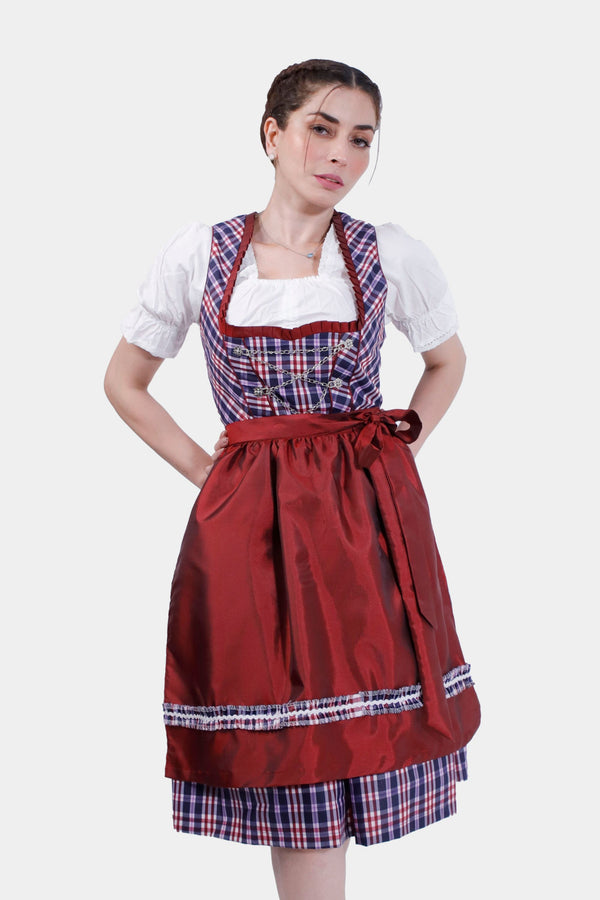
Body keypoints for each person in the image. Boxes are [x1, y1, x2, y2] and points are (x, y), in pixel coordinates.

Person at [105, 58, 480, 900]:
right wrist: (213, 475)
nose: (341, 152)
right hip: (253, 531)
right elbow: (124, 382)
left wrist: (395, 455)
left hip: (365, 526)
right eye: (321, 127)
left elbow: (447, 362)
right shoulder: (202, 253)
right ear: (272, 135)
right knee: (289, 744)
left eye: (360, 138)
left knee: (361, 728)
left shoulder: (386, 252)